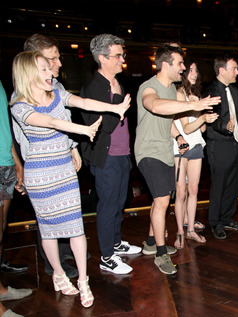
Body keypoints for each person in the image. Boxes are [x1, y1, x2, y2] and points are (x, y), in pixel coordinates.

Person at [10, 51, 131, 307]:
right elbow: (49, 121)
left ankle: (84, 280)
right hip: (40, 175)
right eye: (43, 69)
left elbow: (84, 103)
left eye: (48, 68)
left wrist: (114, 107)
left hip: (64, 170)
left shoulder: (57, 93)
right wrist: (82, 131)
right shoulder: (19, 106)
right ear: (27, 74)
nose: (50, 73)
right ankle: (59, 273)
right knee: (49, 229)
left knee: (76, 227)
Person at [136, 44, 219, 274]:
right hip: (148, 150)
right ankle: (161, 255)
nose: (184, 67)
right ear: (166, 65)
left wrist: (178, 137)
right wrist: (194, 105)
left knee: (159, 198)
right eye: (180, 63)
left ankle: (151, 243)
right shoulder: (149, 87)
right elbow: (153, 105)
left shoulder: (172, 89)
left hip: (165, 148)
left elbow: (169, 119)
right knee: (163, 199)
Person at [10, 33, 74, 277]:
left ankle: (65, 249)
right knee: (47, 213)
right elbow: (23, 138)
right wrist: (25, 169)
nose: (57, 64)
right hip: (40, 161)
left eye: (57, 59)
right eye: (51, 59)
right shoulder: (23, 96)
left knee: (64, 206)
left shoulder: (55, 86)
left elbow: (64, 121)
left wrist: (72, 148)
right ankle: (52, 262)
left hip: (60, 153)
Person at [80, 34, 141, 275]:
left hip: (122, 154)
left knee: (118, 203)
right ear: (102, 58)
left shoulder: (116, 83)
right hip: (106, 158)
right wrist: (116, 102)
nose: (122, 60)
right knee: (107, 206)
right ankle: (106, 256)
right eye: (118, 55)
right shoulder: (92, 88)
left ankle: (116, 243)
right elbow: (102, 127)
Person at [172, 59, 218, 249]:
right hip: (181, 148)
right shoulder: (179, 94)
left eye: (196, 70)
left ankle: (191, 229)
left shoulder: (196, 95)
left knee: (193, 190)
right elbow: (187, 128)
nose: (193, 73)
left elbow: (203, 129)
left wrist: (202, 111)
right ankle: (180, 233)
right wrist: (200, 112)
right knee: (181, 192)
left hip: (197, 146)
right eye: (190, 70)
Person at [204, 55, 238, 240]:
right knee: (219, 185)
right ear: (222, 70)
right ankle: (215, 222)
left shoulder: (235, 91)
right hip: (218, 143)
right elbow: (211, 117)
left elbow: (237, 116)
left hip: (233, 143)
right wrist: (225, 127)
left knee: (232, 183)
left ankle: (227, 218)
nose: (237, 72)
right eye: (234, 68)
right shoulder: (212, 90)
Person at [0, 80, 33, 317]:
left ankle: (0, 290)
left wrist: (15, 161)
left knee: (0, 230)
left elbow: (4, 126)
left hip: (5, 162)